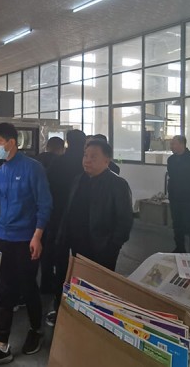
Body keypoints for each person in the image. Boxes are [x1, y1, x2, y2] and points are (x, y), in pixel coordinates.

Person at [47, 139, 134, 326]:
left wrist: (113, 246)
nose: (87, 160)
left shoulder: (118, 184)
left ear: (107, 160)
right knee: (77, 283)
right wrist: (62, 237)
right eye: (85, 155)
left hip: (101, 247)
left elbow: (125, 220)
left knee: (99, 287)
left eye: (93, 157)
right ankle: (77, 316)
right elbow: (69, 211)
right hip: (76, 245)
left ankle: (98, 323)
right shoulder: (79, 180)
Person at [0, 123, 52, 366]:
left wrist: (37, 236)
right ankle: (2, 344)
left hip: (26, 238)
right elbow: (2, 205)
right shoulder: (0, 171)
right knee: (5, 290)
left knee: (28, 287)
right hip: (3, 236)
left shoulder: (33, 168)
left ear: (11, 142)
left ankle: (36, 329)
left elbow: (45, 204)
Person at [41, 130, 86, 297]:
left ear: (68, 142)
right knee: (80, 255)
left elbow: (47, 186)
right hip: (81, 217)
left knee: (54, 250)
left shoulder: (59, 162)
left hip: (57, 213)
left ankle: (51, 285)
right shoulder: (85, 163)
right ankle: (78, 289)